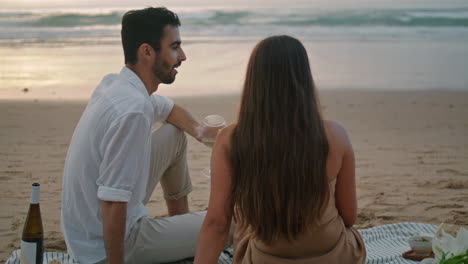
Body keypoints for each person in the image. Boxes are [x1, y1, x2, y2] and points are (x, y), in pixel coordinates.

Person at [194, 35, 367, 264]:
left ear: (254, 81)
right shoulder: (336, 135)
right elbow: (348, 216)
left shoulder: (231, 140)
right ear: (305, 78)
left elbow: (217, 224)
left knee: (245, 224)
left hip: (267, 258)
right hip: (334, 256)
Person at [61, 7, 206, 264]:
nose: (182, 56)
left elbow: (169, 109)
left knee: (175, 134)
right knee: (228, 221)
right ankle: (181, 242)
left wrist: (200, 132)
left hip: (86, 229)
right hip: (106, 248)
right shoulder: (133, 111)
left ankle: (179, 229)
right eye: (174, 47)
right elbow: (112, 203)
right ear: (147, 52)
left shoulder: (116, 84)